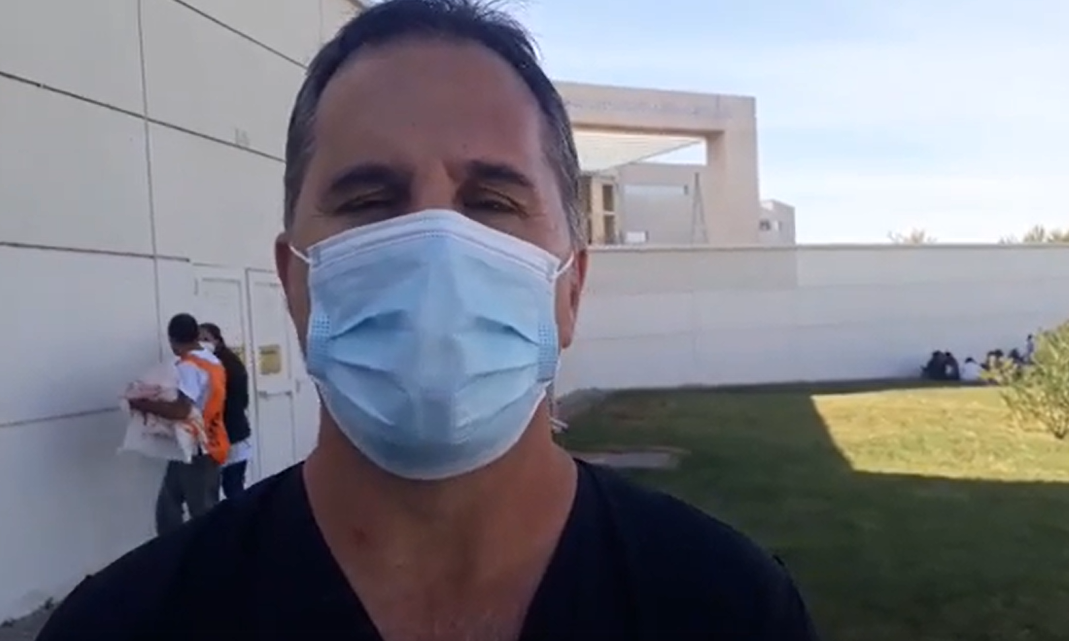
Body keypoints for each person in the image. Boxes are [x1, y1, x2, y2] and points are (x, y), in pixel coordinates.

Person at [37, 1, 819, 639]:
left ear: (570, 288)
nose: (435, 245)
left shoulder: (730, 610)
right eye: (370, 200)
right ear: (294, 280)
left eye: (492, 201)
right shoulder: (125, 623)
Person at [129, 313, 228, 535]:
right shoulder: (212, 361)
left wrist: (143, 405)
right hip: (206, 443)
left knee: (199, 516)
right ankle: (178, 551)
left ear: (172, 340)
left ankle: (207, 554)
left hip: (198, 449)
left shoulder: (189, 367)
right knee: (169, 507)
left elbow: (182, 410)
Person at [199, 323, 253, 499]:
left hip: (231, 435)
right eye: (198, 339)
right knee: (231, 486)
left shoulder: (223, 365)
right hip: (232, 433)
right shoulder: (220, 361)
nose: (201, 343)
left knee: (231, 487)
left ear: (217, 340)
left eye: (206, 339)